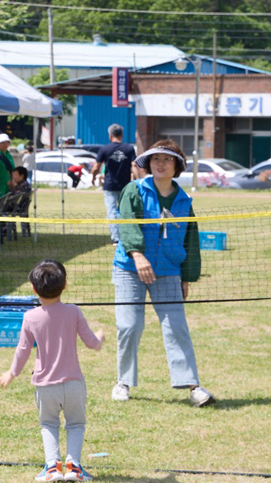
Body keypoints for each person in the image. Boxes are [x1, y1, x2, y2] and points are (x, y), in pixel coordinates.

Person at [111, 140, 214, 407]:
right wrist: (137, 254)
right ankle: (123, 382)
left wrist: (187, 277)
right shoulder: (133, 190)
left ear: (177, 166)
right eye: (155, 158)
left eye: (167, 160)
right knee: (130, 326)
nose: (160, 163)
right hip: (129, 269)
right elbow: (127, 223)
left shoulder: (183, 200)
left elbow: (190, 239)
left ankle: (193, 386)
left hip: (168, 270)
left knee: (176, 327)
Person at [0, 259, 105, 482]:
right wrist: (100, 339)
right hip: (74, 384)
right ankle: (74, 468)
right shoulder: (74, 312)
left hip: (45, 386)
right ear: (65, 285)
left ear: (34, 289)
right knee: (76, 424)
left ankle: (52, 468)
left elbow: (23, 349)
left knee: (48, 424)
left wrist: (12, 373)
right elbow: (92, 343)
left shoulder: (30, 317)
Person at [94, 124, 137, 245]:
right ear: (122, 135)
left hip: (110, 186)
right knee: (126, 212)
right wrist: (138, 180)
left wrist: (93, 177)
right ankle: (127, 236)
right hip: (126, 186)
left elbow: (97, 166)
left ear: (110, 135)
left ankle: (116, 238)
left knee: (111, 212)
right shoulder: (129, 149)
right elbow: (134, 165)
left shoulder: (104, 149)